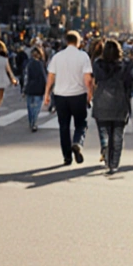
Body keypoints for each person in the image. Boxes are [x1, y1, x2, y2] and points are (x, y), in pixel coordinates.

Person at [43, 31, 94, 165]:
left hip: (60, 95)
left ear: (66, 41)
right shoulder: (83, 56)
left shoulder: (57, 57)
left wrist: (47, 94)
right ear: (78, 42)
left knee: (63, 127)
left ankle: (67, 157)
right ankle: (77, 142)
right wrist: (90, 94)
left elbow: (51, 77)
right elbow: (88, 79)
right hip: (78, 94)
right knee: (81, 123)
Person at [91, 40, 133, 175]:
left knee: (105, 132)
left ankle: (106, 151)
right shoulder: (126, 65)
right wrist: (128, 88)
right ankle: (114, 165)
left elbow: (94, 78)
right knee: (118, 135)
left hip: (101, 100)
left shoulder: (97, 64)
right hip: (120, 101)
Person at [24, 46, 48, 132]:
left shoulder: (28, 63)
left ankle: (31, 122)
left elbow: (26, 77)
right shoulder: (41, 64)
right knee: (37, 107)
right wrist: (47, 89)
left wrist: (24, 89)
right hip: (38, 88)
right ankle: (34, 122)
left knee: (30, 107)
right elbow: (44, 77)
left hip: (30, 87)